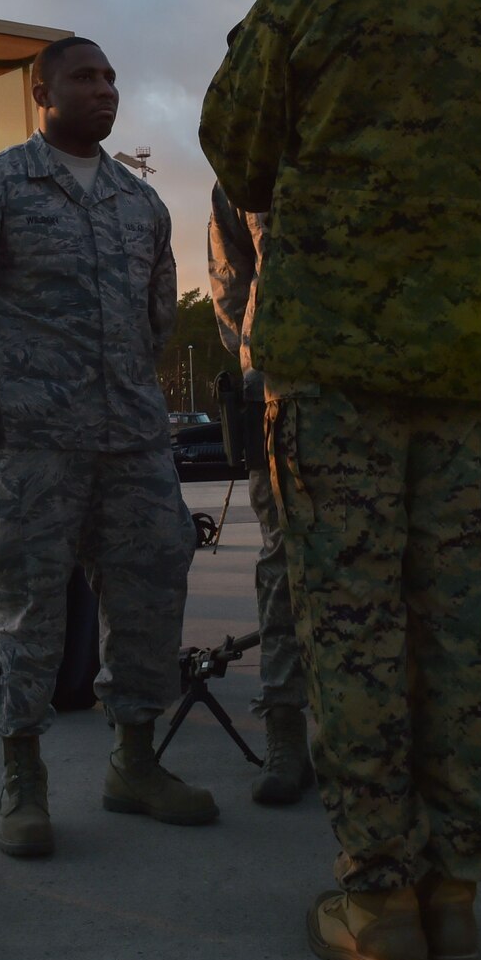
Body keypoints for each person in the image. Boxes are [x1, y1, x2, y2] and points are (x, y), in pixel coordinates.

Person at [199, 0, 481, 960]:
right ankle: (452, 896)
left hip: (339, 373)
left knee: (352, 631)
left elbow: (234, 152)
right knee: (453, 630)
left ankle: (378, 904)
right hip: (466, 375)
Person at [0, 36, 212, 860]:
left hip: (132, 440)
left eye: (111, 77)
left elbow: (157, 318)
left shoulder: (139, 203)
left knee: (149, 593)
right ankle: (22, 779)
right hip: (32, 445)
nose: (104, 90)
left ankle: (135, 763)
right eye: (84, 77)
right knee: (26, 610)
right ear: (43, 92)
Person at [207, 182, 315, 805]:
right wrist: (257, 358)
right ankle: (285, 731)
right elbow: (229, 280)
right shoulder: (252, 154)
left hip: (384, 384)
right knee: (282, 564)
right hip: (281, 391)